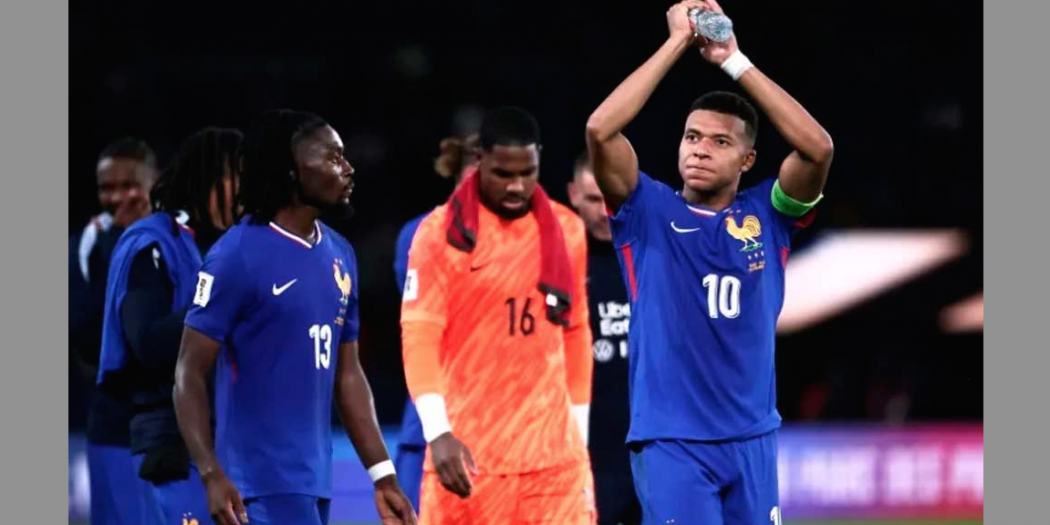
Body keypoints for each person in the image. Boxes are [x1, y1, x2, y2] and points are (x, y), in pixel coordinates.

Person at [584, 0, 834, 523]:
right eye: (692, 136)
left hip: (752, 439)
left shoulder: (769, 214)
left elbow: (817, 149)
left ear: (747, 160)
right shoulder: (646, 210)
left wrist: (732, 60)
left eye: (720, 142)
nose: (699, 150)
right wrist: (676, 42)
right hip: (672, 442)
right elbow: (601, 130)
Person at [173, 109, 417, 525]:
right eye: (333, 157)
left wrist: (383, 476)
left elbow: (348, 375)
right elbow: (189, 371)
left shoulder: (340, 254)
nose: (348, 168)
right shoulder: (236, 255)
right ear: (291, 172)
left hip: (314, 483)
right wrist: (211, 472)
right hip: (253, 488)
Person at [400, 106, 596, 525]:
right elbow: (419, 337)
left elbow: (576, 332)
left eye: (527, 173)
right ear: (480, 161)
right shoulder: (439, 234)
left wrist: (579, 437)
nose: (517, 186)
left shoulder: (567, 230)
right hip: (467, 459)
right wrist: (437, 431)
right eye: (503, 174)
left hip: (554, 463)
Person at [97, 127, 243, 525]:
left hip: (240, 443)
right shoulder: (152, 242)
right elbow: (148, 343)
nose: (250, 190)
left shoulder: (238, 247)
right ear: (209, 181)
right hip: (174, 445)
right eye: (240, 177)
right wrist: (219, 299)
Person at [70, 137, 158, 525]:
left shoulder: (181, 239)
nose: (118, 197)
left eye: (130, 185)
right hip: (114, 430)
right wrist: (115, 247)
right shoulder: (86, 247)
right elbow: (87, 337)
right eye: (107, 187)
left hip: (180, 433)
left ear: (154, 184)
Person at [391, 132, 479, 514]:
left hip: (503, 425)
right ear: (458, 176)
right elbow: (427, 331)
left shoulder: (525, 239)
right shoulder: (421, 234)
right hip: (430, 427)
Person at [567, 153, 641, 525]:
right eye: (592, 199)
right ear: (573, 194)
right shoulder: (558, 264)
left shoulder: (651, 256)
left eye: (610, 198)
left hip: (652, 450)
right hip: (586, 453)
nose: (602, 211)